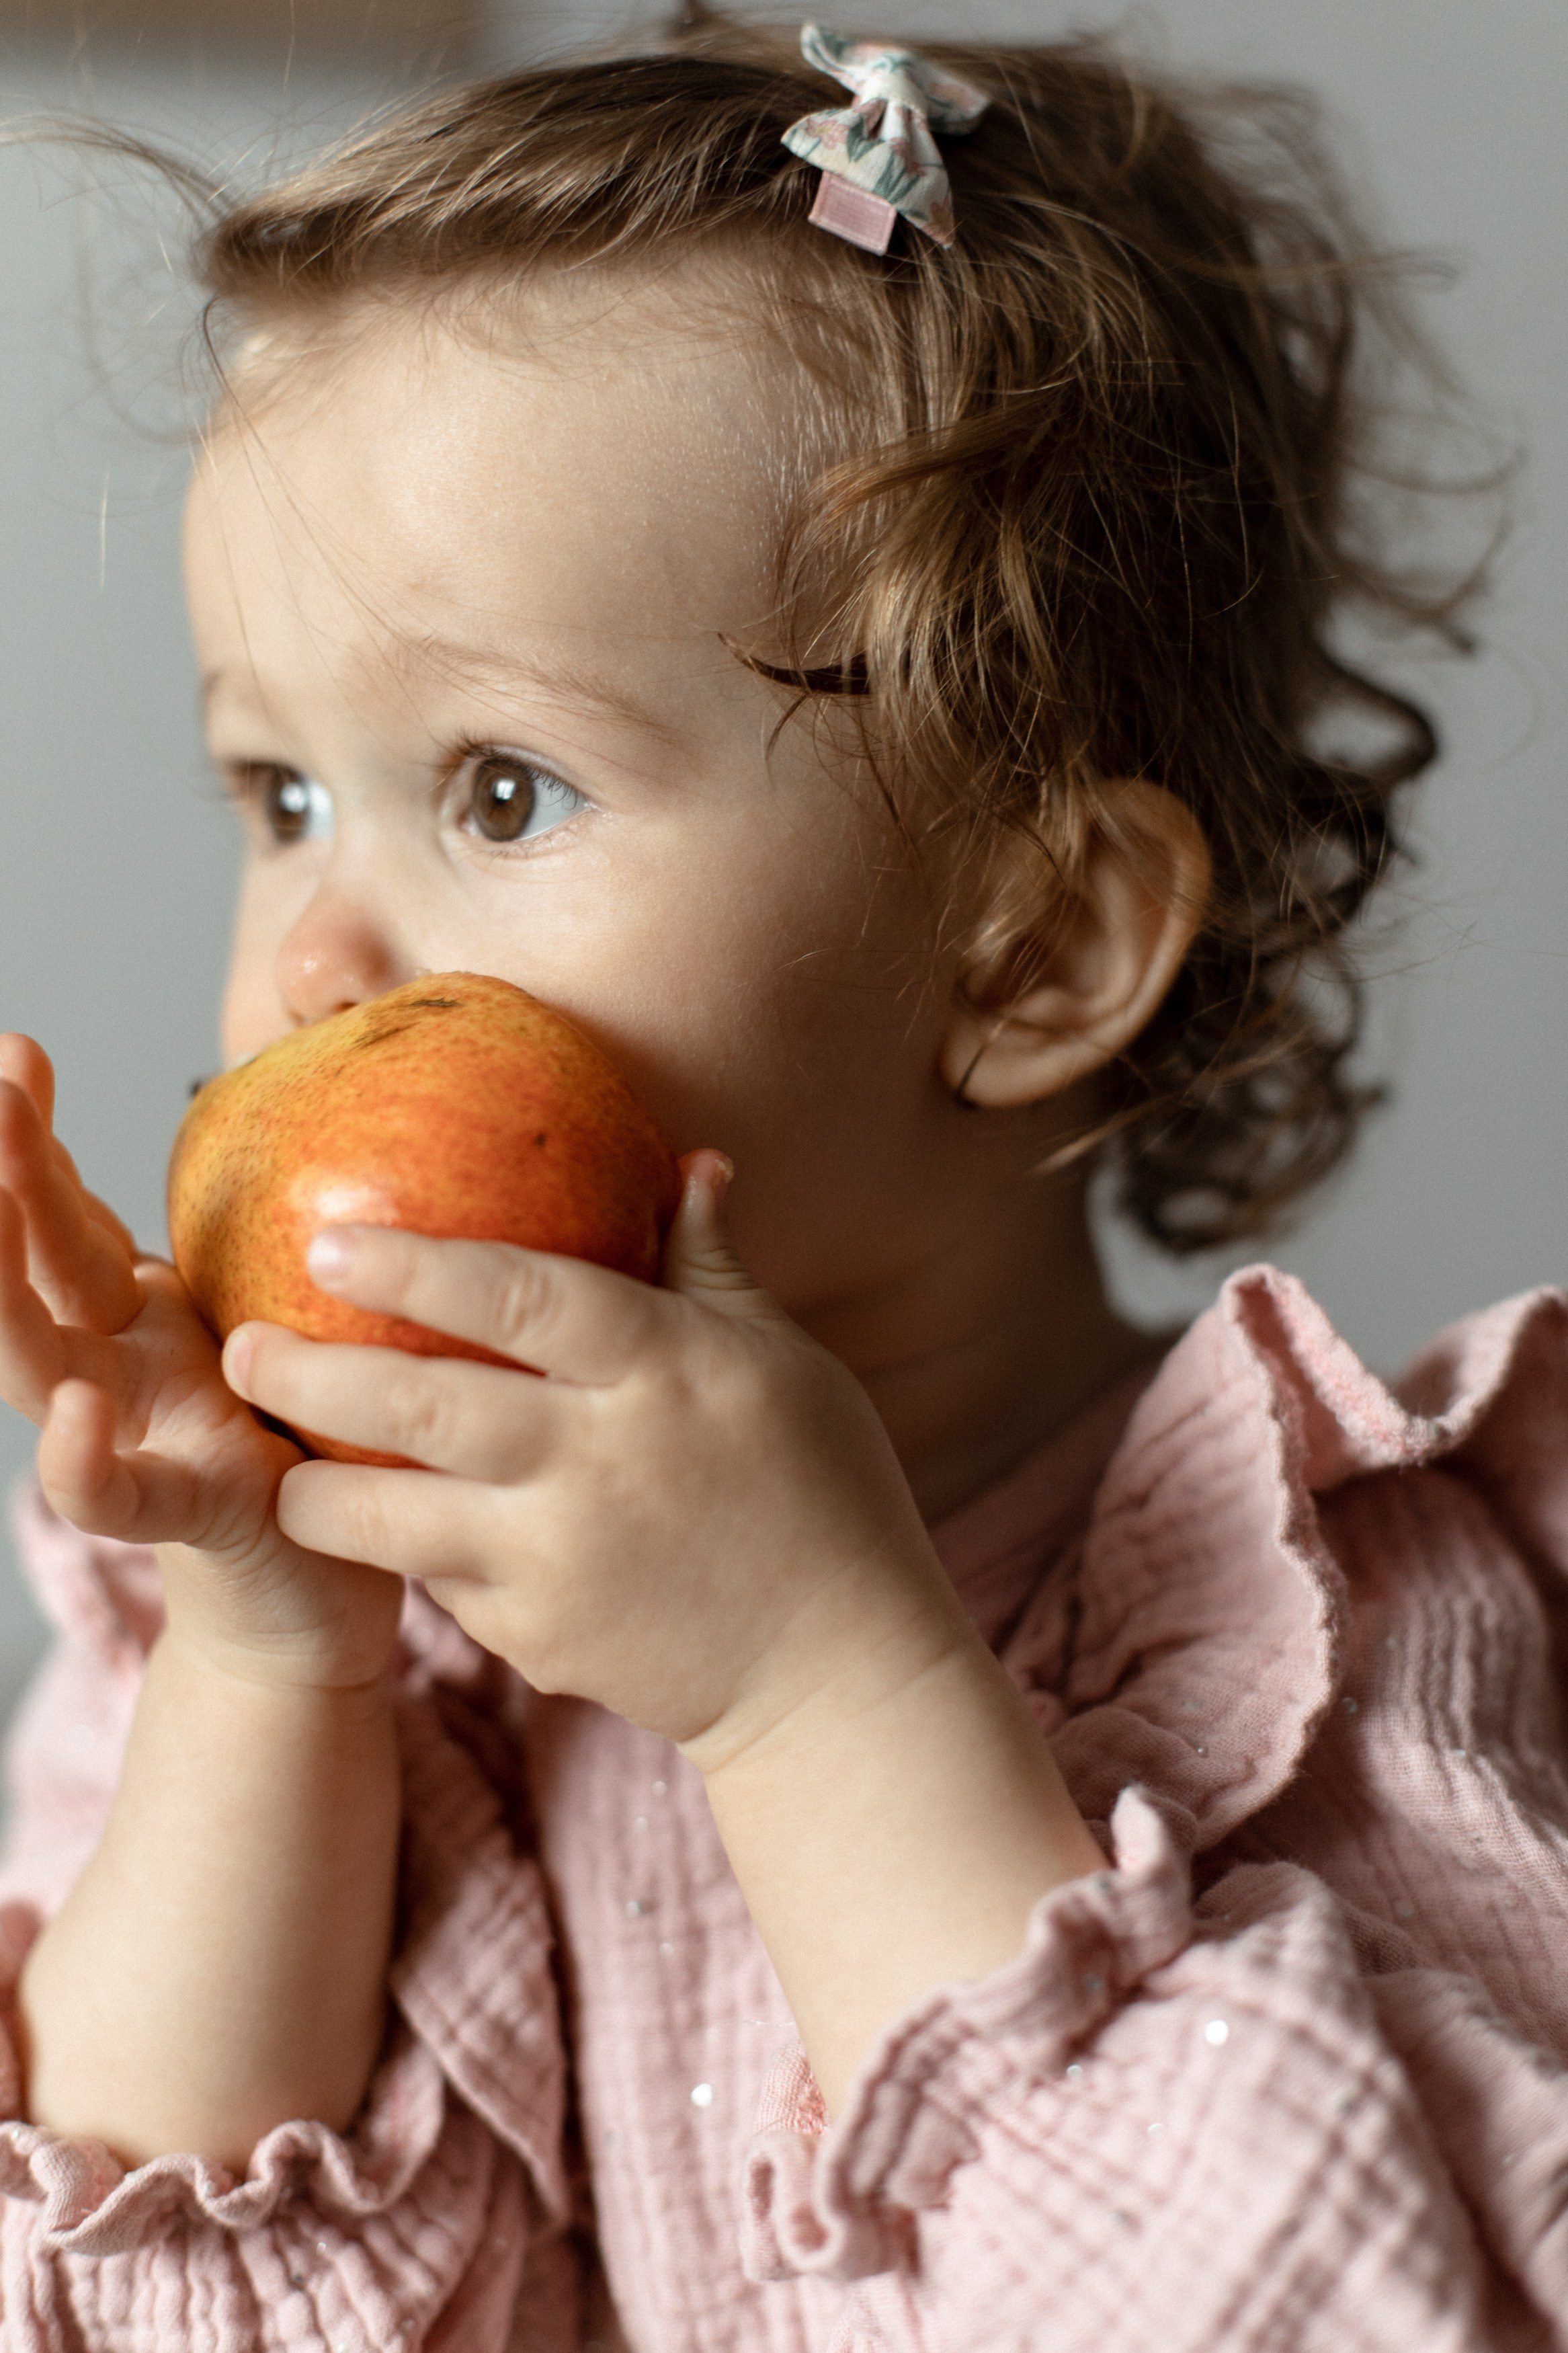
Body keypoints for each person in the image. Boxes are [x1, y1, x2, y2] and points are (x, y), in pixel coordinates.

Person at [0, 13, 1563, 2348]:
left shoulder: (1351, 1620)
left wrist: (823, 1700)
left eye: (504, 791)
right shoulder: (289, 1636)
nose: (314, 962)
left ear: (1030, 949)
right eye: (283, 793)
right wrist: (272, 1668)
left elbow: (1349, 2303)